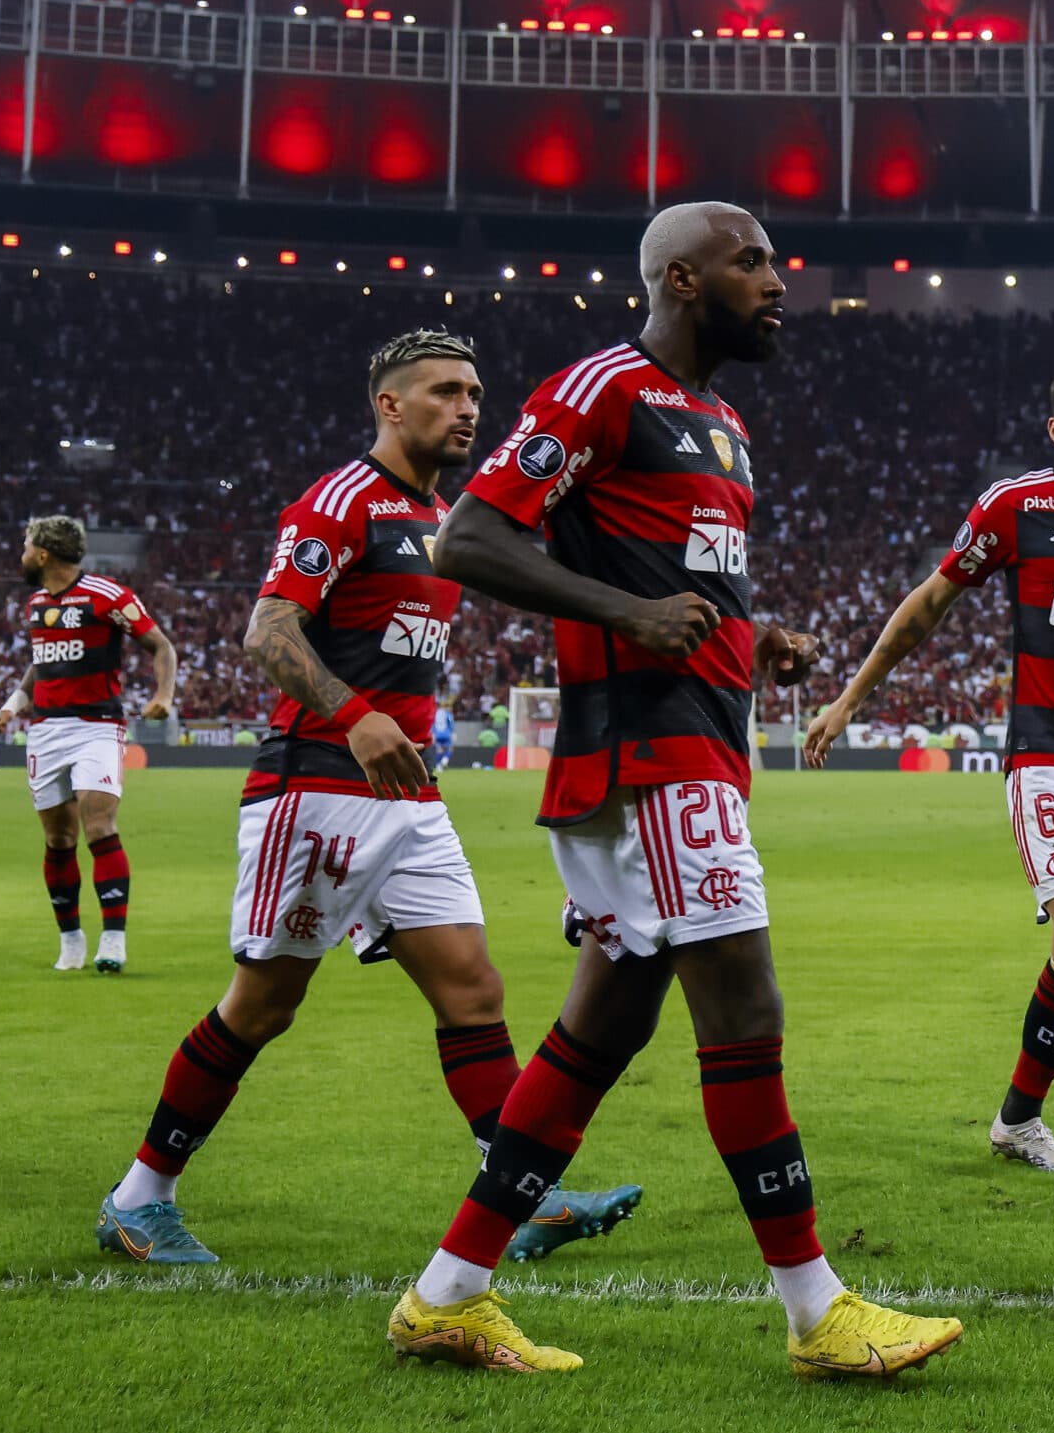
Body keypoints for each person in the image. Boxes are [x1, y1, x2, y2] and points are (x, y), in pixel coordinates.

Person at [384, 202, 961, 1379]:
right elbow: (470, 540)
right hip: (646, 755)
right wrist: (630, 614)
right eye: (753, 261)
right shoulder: (605, 386)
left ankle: (448, 1291)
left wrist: (759, 637)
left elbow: (684, 585)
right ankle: (818, 1309)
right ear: (683, 278)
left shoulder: (723, 422)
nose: (777, 280)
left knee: (605, 1022)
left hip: (697, 739)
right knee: (744, 1007)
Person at [94, 329, 641, 1268]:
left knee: (473, 990)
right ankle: (139, 1197)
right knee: (260, 1006)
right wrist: (353, 713)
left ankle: (525, 1193)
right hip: (317, 788)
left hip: (409, 799)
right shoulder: (342, 501)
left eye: (474, 391)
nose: (468, 407)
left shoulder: (450, 516)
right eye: (444, 391)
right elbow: (267, 633)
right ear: (389, 405)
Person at [806, 356, 1054, 1195]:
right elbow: (929, 604)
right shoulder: (1016, 507)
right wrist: (848, 701)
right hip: (1048, 761)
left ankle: (1017, 1119)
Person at [0, 516, 177, 973]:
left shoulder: (108, 596)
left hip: (97, 726)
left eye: (26, 545)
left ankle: (113, 940)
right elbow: (40, 664)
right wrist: (12, 706)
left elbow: (161, 646)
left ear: (45, 554)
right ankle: (70, 941)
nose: (22, 553)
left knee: (99, 824)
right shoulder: (35, 603)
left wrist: (163, 695)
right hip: (46, 731)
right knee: (58, 838)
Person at [433, 694, 458, 773]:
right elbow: (451, 724)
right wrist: (453, 732)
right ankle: (444, 760)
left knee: (439, 750)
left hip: (437, 734)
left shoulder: (435, 713)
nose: (451, 708)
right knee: (450, 748)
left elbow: (432, 724)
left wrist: (433, 733)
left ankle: (438, 766)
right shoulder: (448, 714)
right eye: (449, 706)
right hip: (446, 734)